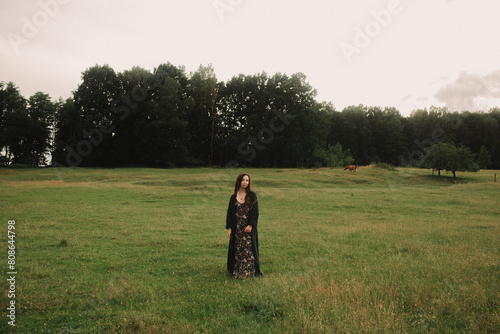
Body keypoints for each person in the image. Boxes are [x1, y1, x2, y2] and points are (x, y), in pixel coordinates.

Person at [226, 173, 262, 278]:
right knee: (237, 249)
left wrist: (251, 225)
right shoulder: (233, 197)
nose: (245, 182)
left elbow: (255, 212)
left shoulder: (252, 195)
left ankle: (250, 271)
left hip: (248, 229)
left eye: (247, 180)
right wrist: (229, 228)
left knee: (249, 248)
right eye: (243, 180)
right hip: (237, 228)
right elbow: (230, 214)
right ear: (239, 181)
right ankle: (238, 270)